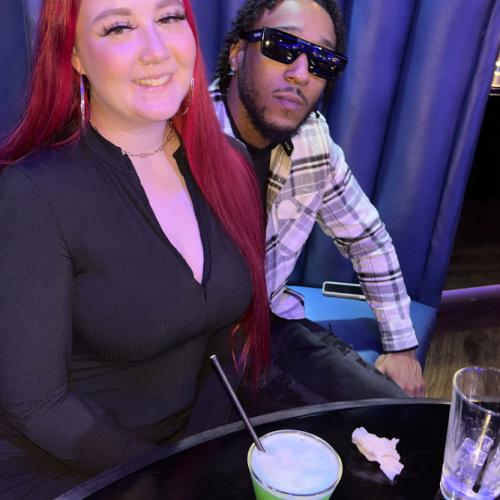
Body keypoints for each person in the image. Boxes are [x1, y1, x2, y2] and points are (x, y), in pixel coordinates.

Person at [0, 0, 271, 497]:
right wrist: (163, 477)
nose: (156, 50)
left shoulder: (231, 163)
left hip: (179, 452)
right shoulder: (34, 193)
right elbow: (38, 405)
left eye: (168, 18)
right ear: (74, 55)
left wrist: (208, 459)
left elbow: (228, 342)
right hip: (63, 463)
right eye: (119, 27)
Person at [210, 0, 425, 397]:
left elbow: (368, 239)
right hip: (190, 350)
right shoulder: (176, 139)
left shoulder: (313, 142)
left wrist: (401, 346)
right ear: (238, 54)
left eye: (321, 60)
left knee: (391, 411)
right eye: (281, 46)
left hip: (269, 329)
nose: (301, 73)